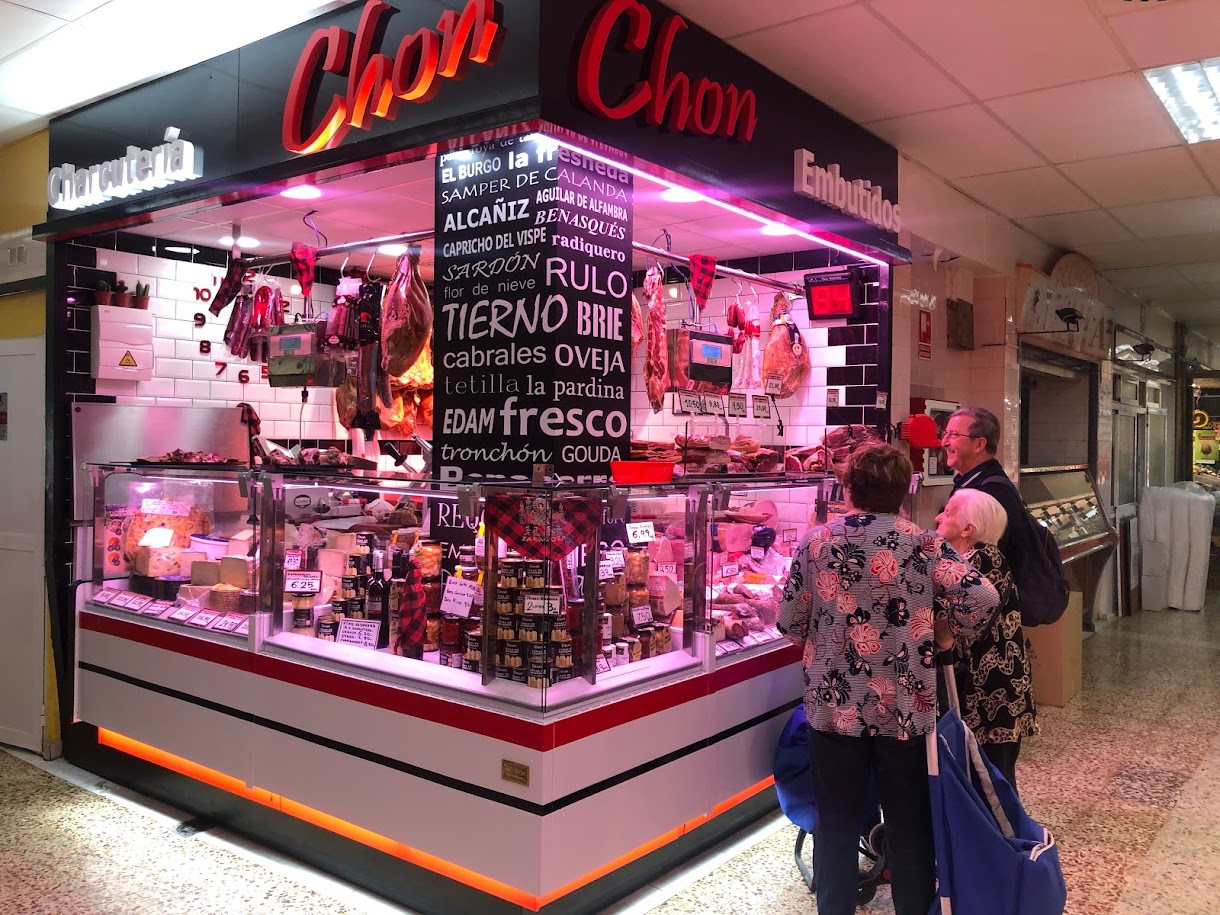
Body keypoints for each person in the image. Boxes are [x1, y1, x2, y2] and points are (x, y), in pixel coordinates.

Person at [778, 443, 999, 915]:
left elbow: (790, 622)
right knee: (909, 821)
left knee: (836, 822)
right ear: (902, 491)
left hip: (833, 708)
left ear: (849, 487)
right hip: (906, 706)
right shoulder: (923, 543)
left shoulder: (817, 542)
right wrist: (944, 631)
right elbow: (983, 597)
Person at [935, 489, 1038, 791]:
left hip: (991, 692)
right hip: (991, 688)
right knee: (988, 777)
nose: (939, 517)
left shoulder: (981, 560)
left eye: (948, 513)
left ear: (968, 529)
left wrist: (943, 630)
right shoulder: (977, 557)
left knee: (992, 781)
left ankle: (999, 825)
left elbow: (963, 614)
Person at [941, 407, 1026, 574]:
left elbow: (987, 560)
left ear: (979, 444)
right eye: (945, 434)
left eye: (954, 435)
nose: (944, 442)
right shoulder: (970, 482)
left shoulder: (992, 491)